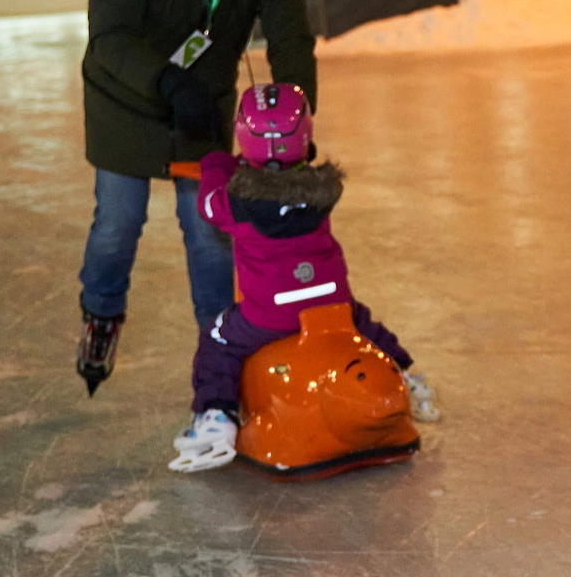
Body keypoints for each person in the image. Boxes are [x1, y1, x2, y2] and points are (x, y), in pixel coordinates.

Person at [74, 0, 317, 396]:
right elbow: (107, 36)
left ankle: (219, 347)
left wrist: (298, 108)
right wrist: (166, 79)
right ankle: (101, 317)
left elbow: (289, 32)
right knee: (118, 226)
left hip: (201, 109)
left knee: (209, 233)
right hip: (126, 101)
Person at [172, 83, 435, 472]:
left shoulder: (237, 201)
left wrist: (216, 163)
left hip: (271, 313)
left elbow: (210, 205)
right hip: (332, 301)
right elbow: (284, 183)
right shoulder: (322, 191)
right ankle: (405, 375)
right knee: (362, 322)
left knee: (218, 340)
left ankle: (216, 418)